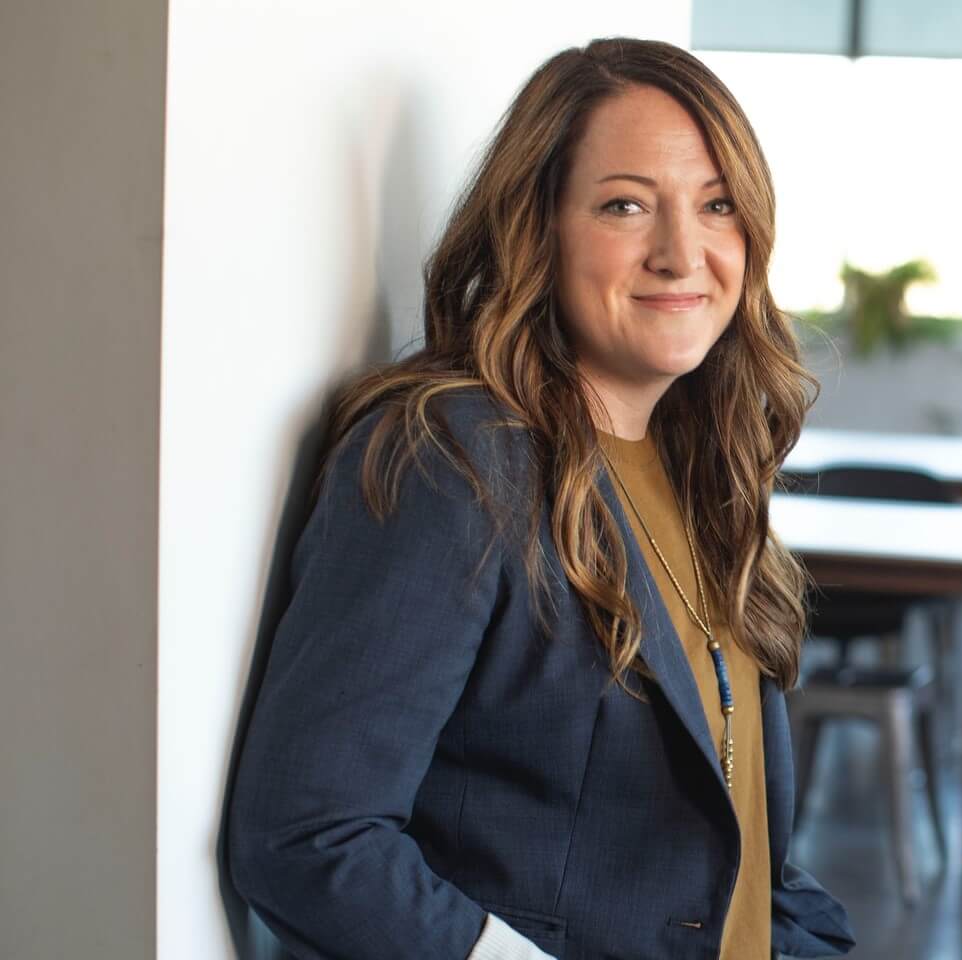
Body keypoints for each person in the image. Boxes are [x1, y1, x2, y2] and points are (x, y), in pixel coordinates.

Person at [227, 38, 851, 960]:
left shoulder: (702, 467)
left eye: (716, 204)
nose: (682, 251)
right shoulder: (455, 456)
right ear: (540, 225)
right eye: (626, 205)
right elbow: (308, 837)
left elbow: (733, 829)